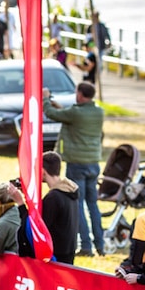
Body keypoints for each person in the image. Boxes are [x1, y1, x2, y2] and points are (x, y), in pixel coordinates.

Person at [43, 81, 105, 256]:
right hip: (93, 163)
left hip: (77, 164)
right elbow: (73, 116)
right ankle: (100, 245)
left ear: (80, 95)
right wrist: (59, 106)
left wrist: (46, 99)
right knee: (93, 205)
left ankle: (85, 246)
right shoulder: (98, 112)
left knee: (78, 204)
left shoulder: (75, 113)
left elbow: (51, 114)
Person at [39, 152, 80, 265]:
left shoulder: (53, 197)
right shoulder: (70, 190)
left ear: (43, 171)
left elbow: (42, 226)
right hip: (69, 249)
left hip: (56, 254)